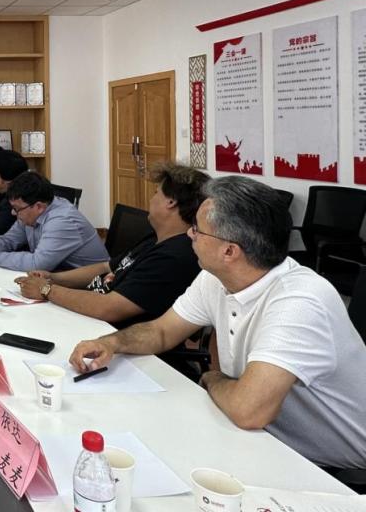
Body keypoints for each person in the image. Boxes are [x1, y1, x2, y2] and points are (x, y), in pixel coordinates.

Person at [69, 177, 366, 471]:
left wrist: (212, 379)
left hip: (335, 467)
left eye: (197, 229)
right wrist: (111, 343)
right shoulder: (215, 278)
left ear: (229, 251)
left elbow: (248, 410)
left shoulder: (299, 302)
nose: (189, 234)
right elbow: (161, 331)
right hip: (259, 440)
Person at [17, 163, 208, 328]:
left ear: (171, 202)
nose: (151, 199)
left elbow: (108, 308)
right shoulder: (156, 238)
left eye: (156, 193)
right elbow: (106, 267)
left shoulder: (174, 256)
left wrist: (47, 290)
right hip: (86, 314)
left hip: (108, 331)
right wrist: (53, 278)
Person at [0, 171, 107, 272]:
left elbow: (37, 264)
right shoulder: (29, 210)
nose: (13, 213)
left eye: (17, 209)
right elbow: (9, 240)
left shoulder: (62, 221)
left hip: (91, 285)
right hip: (59, 274)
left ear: (38, 207)